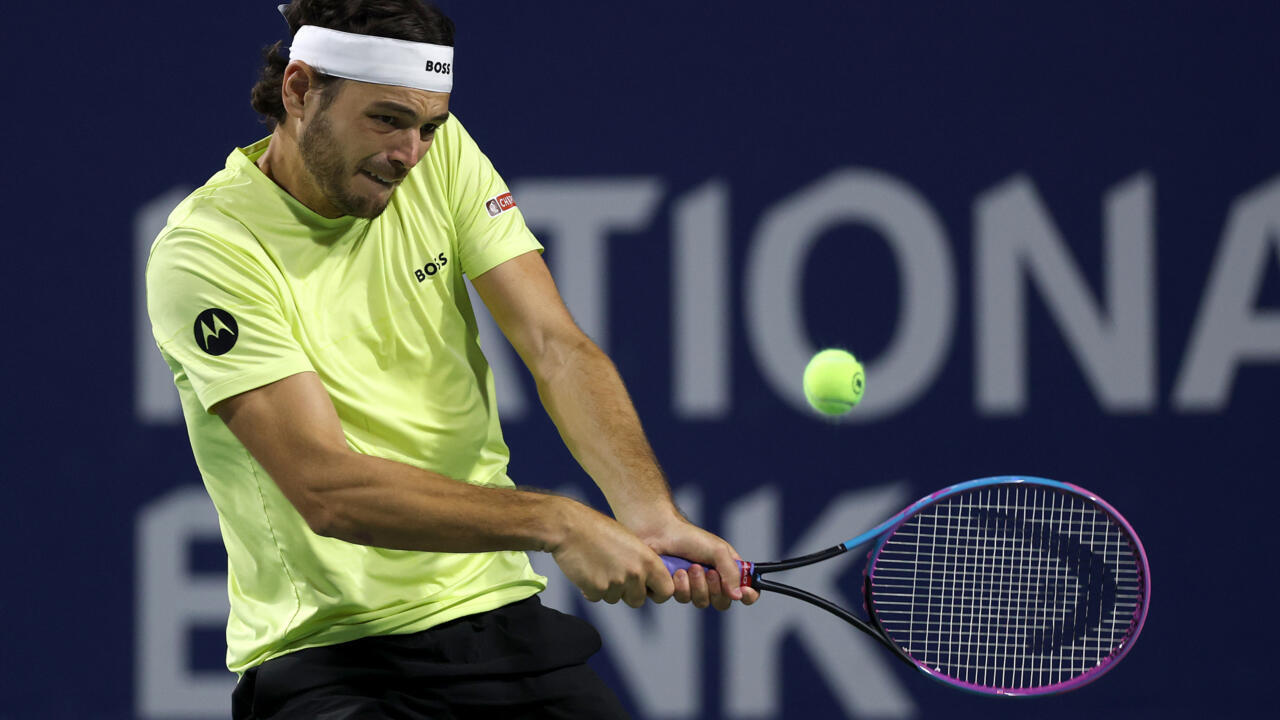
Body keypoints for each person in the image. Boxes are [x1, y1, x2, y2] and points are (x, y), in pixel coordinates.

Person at [144, 1, 757, 717]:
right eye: (386, 120)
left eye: (429, 127)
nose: (409, 153)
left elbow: (555, 346)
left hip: (497, 617)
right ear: (300, 90)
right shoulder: (208, 251)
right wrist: (559, 522)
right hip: (333, 659)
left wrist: (647, 511)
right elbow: (326, 489)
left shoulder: (440, 157)